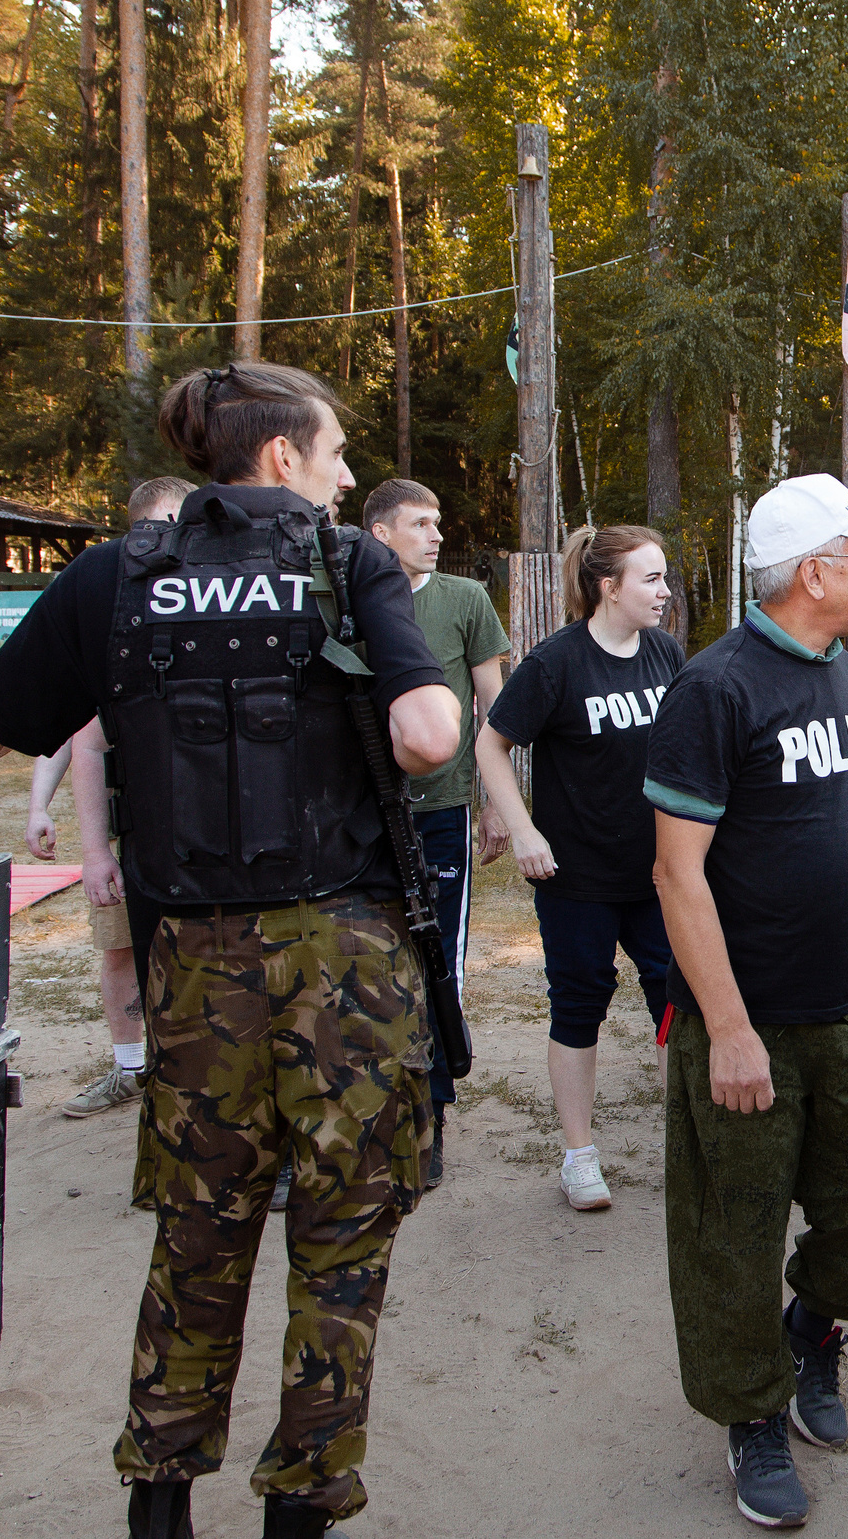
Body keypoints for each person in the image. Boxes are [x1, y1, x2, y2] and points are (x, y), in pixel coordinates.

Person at [0, 362, 460, 1539]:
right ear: (278, 459)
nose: (348, 474)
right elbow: (424, 735)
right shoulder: (350, 563)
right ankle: (300, 1508)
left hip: (195, 967)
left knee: (198, 1233)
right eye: (336, 452)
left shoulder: (116, 573)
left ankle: (159, 1503)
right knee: (340, 1244)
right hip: (345, 963)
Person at [645, 472, 848, 1530]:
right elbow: (677, 873)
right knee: (731, 1233)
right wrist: (731, 1029)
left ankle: (810, 1331)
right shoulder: (714, 689)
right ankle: (750, 1411)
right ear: (815, 572)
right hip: (747, 1019)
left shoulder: (846, 666)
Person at [475, 525, 682, 1211]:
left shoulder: (665, 654)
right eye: (650, 579)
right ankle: (579, 1156)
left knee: (674, 1004)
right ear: (608, 587)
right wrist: (525, 828)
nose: (664, 592)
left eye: (664, 578)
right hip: (578, 878)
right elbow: (491, 744)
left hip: (658, 875)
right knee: (579, 1006)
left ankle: (687, 1145)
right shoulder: (557, 663)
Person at [27, 475, 193, 1118]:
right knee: (122, 946)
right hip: (139, 836)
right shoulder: (111, 608)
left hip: (205, 839)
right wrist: (92, 850)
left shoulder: (207, 600)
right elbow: (83, 737)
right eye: (167, 525)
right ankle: (131, 1070)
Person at [363, 477, 510, 1188]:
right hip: (359, 810)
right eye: (420, 524)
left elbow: (496, 713)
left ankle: (433, 1112)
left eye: (439, 522)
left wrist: (495, 805)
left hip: (441, 808)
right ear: (380, 533)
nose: (437, 535)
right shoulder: (346, 597)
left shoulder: (464, 600)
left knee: (435, 962)